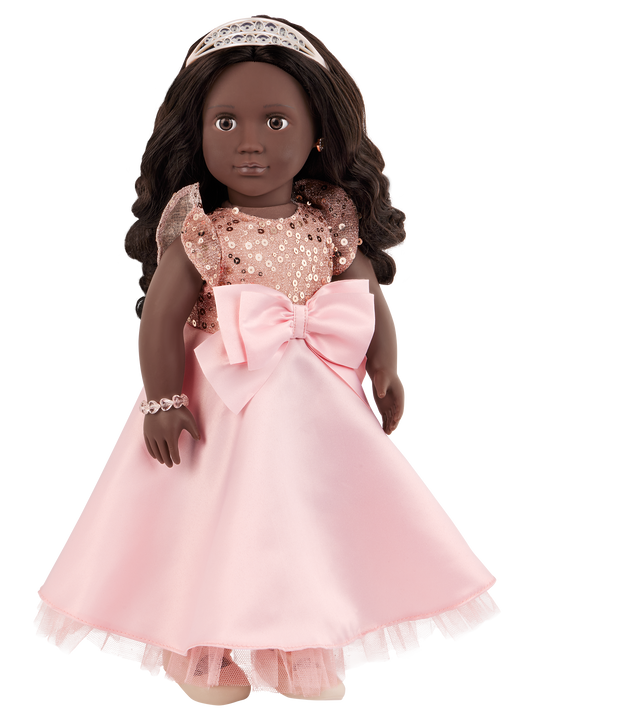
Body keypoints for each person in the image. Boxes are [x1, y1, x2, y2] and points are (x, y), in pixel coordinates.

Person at [31, 14, 502, 708]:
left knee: (312, 523)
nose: (249, 142)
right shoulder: (203, 230)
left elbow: (367, 298)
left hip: (319, 407)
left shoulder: (329, 218)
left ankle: (307, 646)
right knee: (216, 523)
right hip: (222, 401)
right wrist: (163, 399)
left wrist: (387, 367)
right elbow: (160, 320)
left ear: (318, 134)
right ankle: (214, 653)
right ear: (197, 134)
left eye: (275, 122)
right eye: (226, 123)